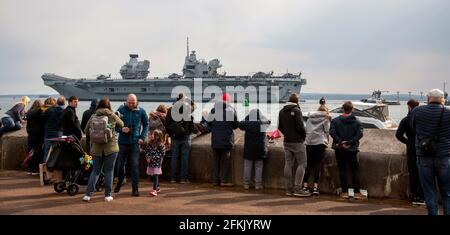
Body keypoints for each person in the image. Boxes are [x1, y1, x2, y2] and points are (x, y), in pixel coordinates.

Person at [411, 89, 450, 215]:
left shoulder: (417, 111)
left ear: (428, 99)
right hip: (444, 156)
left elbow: (413, 128)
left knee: (429, 191)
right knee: (447, 192)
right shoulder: (448, 113)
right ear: (442, 99)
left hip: (424, 156)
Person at [83, 97, 124, 202]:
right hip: (111, 148)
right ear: (108, 106)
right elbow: (122, 124)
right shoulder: (112, 115)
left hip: (96, 148)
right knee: (109, 171)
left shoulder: (93, 116)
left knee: (95, 171)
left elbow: (86, 130)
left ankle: (88, 195)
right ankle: (107, 195)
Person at [114, 94, 149, 196]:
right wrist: (121, 129)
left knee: (134, 166)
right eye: (129, 103)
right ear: (126, 101)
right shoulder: (120, 109)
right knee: (120, 166)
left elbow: (146, 124)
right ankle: (120, 182)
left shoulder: (141, 111)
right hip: (123, 142)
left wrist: (142, 137)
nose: (131, 105)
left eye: (133, 103)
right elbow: (114, 125)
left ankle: (135, 189)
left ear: (136, 102)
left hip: (134, 142)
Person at [330, 101, 364, 200]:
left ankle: (344, 192)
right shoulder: (357, 121)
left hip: (340, 149)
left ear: (343, 109)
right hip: (352, 149)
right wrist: (349, 143)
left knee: (342, 170)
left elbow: (332, 132)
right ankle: (357, 193)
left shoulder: (335, 121)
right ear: (352, 109)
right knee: (355, 171)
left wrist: (341, 143)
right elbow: (359, 134)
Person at [278, 93, 310, 197]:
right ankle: (297, 189)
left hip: (287, 141)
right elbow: (301, 127)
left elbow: (280, 127)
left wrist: (287, 134)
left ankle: (288, 189)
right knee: (302, 164)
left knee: (288, 164)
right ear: (297, 101)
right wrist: (303, 137)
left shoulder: (281, 111)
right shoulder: (297, 111)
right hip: (297, 142)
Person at [395, 99, 425, 205]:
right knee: (423, 173)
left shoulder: (405, 120)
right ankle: (422, 197)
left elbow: (398, 135)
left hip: (412, 149)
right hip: (423, 148)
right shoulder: (423, 119)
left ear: (408, 106)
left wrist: (408, 142)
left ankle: (414, 196)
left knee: (413, 173)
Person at [205, 93, 238, 186]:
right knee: (225, 162)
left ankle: (215, 181)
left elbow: (209, 124)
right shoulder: (231, 110)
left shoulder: (213, 110)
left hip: (215, 139)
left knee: (215, 161)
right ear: (228, 101)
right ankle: (223, 180)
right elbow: (236, 125)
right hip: (227, 139)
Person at [165, 93, 197, 184]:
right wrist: (187, 99)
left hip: (175, 137)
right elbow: (195, 106)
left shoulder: (171, 110)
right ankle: (183, 179)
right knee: (185, 159)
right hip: (186, 137)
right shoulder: (187, 109)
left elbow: (166, 125)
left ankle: (173, 178)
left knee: (174, 158)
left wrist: (171, 134)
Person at [238, 109, 271, 190]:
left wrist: (248, 116)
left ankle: (246, 184)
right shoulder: (263, 124)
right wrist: (262, 116)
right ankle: (258, 185)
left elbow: (240, 124)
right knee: (259, 166)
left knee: (247, 166)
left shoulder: (247, 124)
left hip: (249, 148)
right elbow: (269, 121)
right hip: (260, 149)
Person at [302, 104, 331, 196]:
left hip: (310, 143)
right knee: (317, 165)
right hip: (320, 143)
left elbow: (307, 130)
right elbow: (327, 131)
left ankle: (305, 186)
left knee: (308, 164)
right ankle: (315, 187)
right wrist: (327, 141)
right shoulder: (325, 119)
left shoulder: (310, 118)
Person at [42, 96, 65, 162]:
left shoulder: (49, 110)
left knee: (47, 150)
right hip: (58, 133)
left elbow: (42, 119)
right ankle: (55, 168)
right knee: (57, 151)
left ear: (57, 102)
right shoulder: (64, 111)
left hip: (48, 133)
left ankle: (45, 167)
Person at [143, 129, 166, 196]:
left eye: (153, 134)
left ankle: (154, 190)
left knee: (155, 175)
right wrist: (147, 157)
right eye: (151, 134)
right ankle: (158, 187)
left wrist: (152, 158)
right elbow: (147, 151)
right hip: (151, 163)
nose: (151, 136)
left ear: (158, 136)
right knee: (153, 175)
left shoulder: (161, 145)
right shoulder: (149, 144)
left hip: (157, 163)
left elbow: (162, 154)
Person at [25, 99, 45, 175]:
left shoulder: (29, 112)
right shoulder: (38, 112)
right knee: (38, 152)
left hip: (31, 134)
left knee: (31, 152)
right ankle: (35, 169)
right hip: (38, 135)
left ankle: (29, 169)